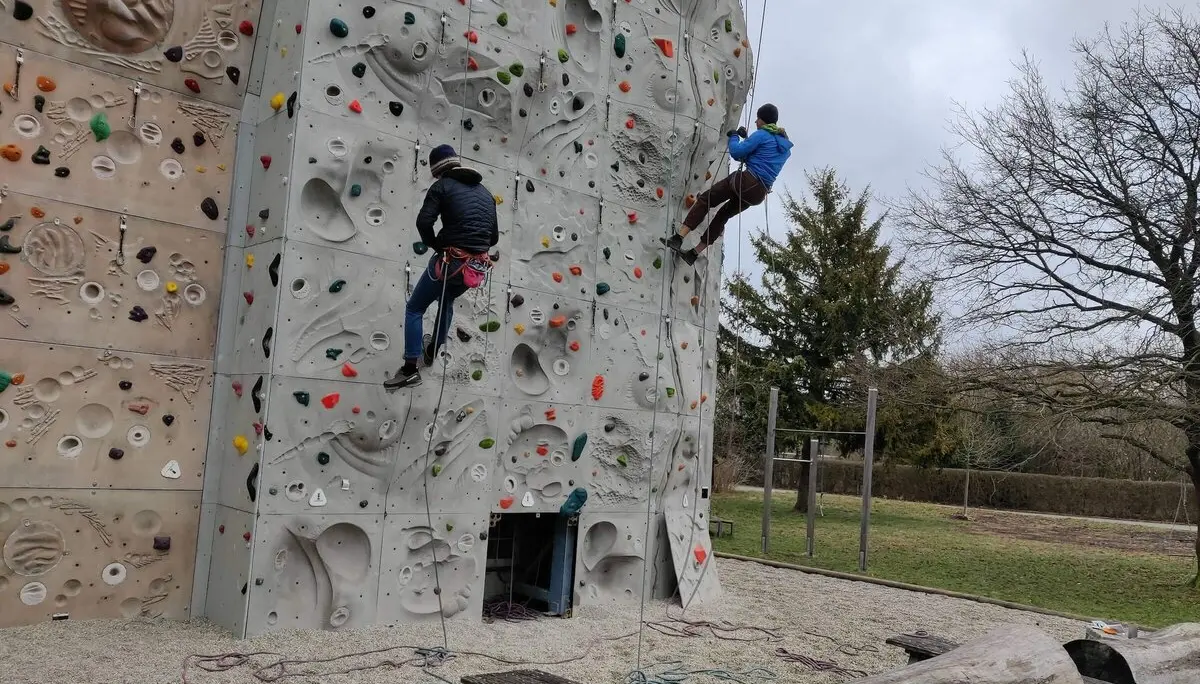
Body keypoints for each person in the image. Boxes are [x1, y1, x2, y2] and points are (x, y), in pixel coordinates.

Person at [384, 144, 498, 391]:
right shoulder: (486, 194)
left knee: (415, 308)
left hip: (449, 263)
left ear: (437, 171)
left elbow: (424, 222)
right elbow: (494, 238)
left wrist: (436, 245)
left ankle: (410, 370)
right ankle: (432, 350)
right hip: (474, 270)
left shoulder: (442, 186)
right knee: (447, 302)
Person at [663, 103, 793, 265]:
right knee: (723, 215)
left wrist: (734, 137)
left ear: (763, 119)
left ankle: (678, 238)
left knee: (706, 199)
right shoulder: (785, 149)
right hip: (759, 194)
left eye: (758, 119)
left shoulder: (762, 135)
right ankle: (694, 253)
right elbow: (763, 157)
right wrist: (747, 140)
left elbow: (737, 153)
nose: (755, 122)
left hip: (745, 182)